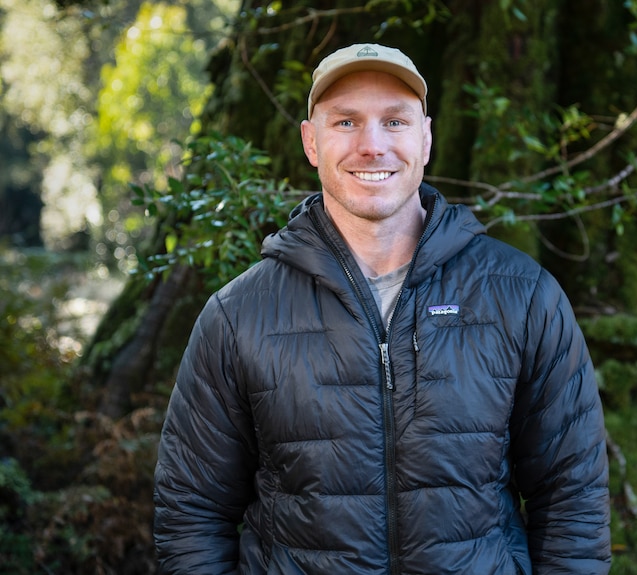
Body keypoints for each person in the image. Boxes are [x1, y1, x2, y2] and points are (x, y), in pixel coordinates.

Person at [153, 43, 611, 574]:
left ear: (427, 137)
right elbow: (190, 512)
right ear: (310, 141)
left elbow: (573, 497)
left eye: (395, 121)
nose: (372, 146)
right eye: (346, 122)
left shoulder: (522, 295)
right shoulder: (238, 315)